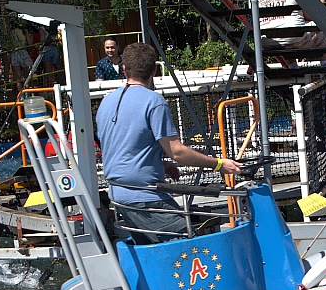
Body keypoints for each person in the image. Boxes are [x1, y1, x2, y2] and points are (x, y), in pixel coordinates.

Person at [97, 43, 242, 244]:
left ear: (124, 69)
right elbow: (177, 152)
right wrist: (219, 164)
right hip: (145, 198)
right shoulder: (153, 101)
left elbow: (119, 149)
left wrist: (160, 165)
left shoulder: (106, 102)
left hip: (118, 196)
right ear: (154, 70)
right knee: (195, 243)